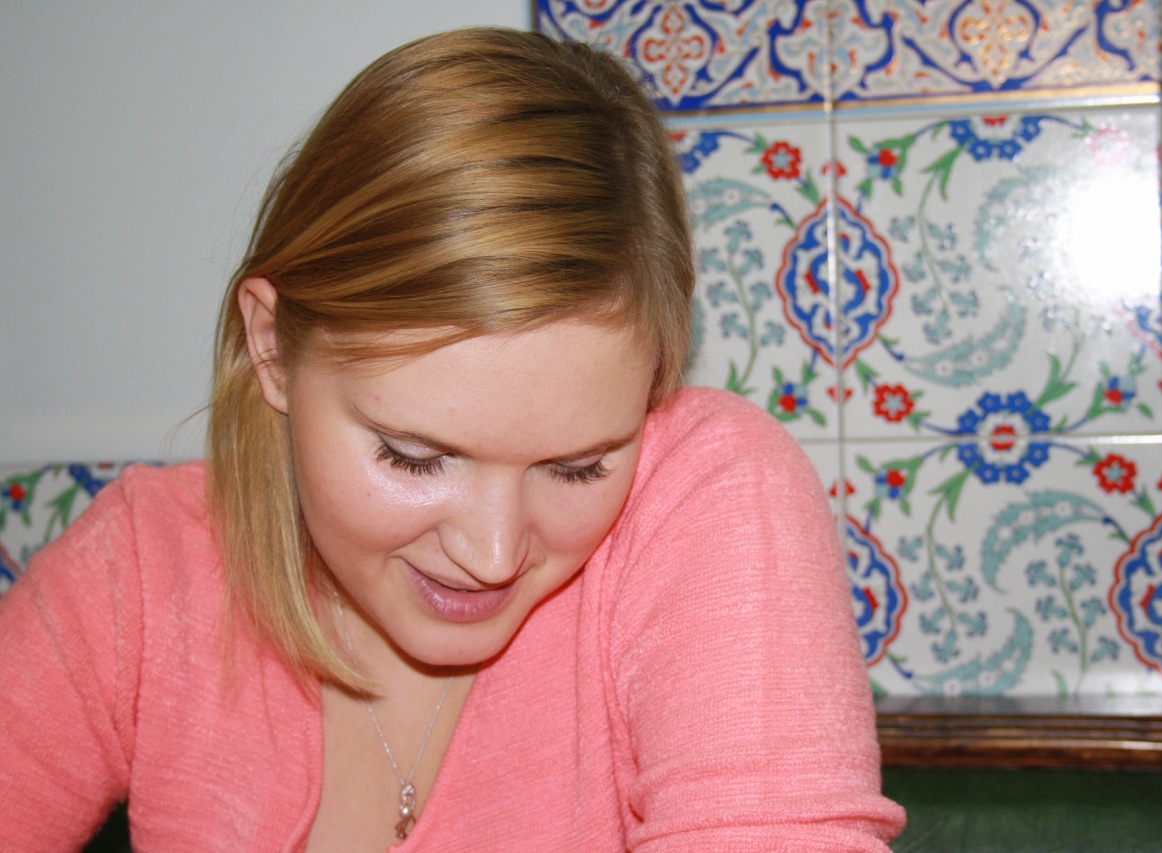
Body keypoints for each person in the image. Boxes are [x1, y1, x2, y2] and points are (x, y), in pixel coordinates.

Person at [0, 27, 905, 852]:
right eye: (414, 455)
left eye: (577, 467)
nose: (493, 553)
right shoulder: (141, 576)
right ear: (271, 346)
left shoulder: (709, 496)